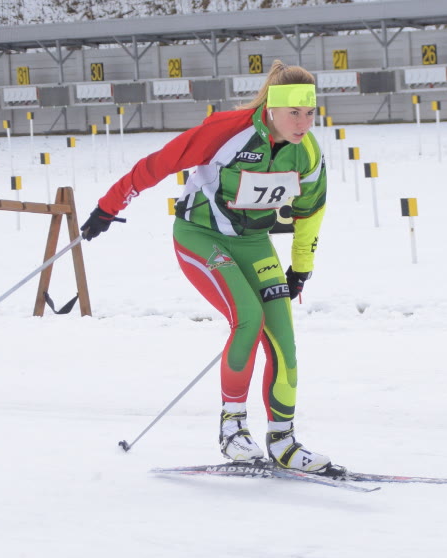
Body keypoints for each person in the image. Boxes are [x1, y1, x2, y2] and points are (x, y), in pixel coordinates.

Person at [80, 62, 334, 473]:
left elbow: (311, 211)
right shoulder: (227, 131)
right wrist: (108, 208)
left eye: (310, 113)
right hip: (201, 237)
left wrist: (300, 268)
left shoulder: (306, 152)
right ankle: (232, 430)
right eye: (294, 113)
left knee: (284, 341)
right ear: (272, 108)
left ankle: (283, 441)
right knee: (248, 319)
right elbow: (158, 164)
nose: (304, 123)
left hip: (254, 243)